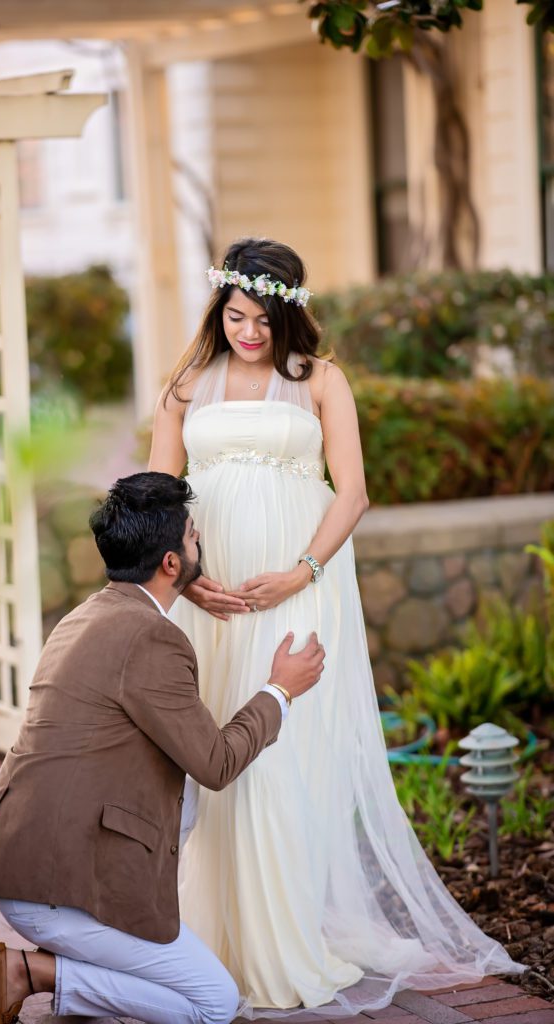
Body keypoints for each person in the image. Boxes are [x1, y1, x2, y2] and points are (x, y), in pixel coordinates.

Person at [149, 237, 523, 1019]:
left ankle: (281, 938)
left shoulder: (321, 381)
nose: (249, 332)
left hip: (294, 590)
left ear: (291, 314)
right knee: (218, 755)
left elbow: (349, 494)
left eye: (264, 318)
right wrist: (188, 586)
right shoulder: (185, 386)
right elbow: (155, 494)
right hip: (212, 599)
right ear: (220, 307)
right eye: (237, 315)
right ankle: (214, 939)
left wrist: (299, 573)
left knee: (281, 765)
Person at [0, 471, 325, 1024]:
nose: (201, 541)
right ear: (172, 563)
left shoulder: (87, 615)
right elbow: (216, 762)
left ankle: (44, 970)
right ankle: (30, 972)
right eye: (194, 534)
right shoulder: (152, 638)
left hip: (25, 865)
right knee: (213, 1004)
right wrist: (281, 689)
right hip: (57, 891)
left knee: (162, 978)